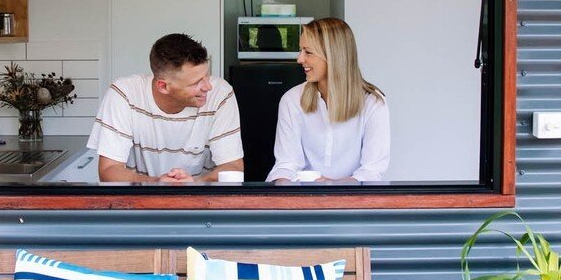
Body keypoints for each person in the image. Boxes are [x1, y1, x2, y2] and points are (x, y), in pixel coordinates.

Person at [88, 32, 244, 184]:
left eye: (207, 75)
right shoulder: (124, 95)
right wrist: (155, 183)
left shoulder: (221, 94)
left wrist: (195, 183)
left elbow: (233, 167)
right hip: (138, 202)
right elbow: (109, 170)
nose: (208, 87)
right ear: (163, 86)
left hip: (200, 202)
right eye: (196, 82)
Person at [267, 17, 389, 183]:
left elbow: (371, 171)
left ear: (334, 56)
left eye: (308, 52)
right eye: (301, 50)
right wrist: (281, 185)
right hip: (303, 202)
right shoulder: (291, 100)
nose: (299, 59)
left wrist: (334, 187)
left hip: (354, 202)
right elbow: (287, 164)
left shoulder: (373, 103)